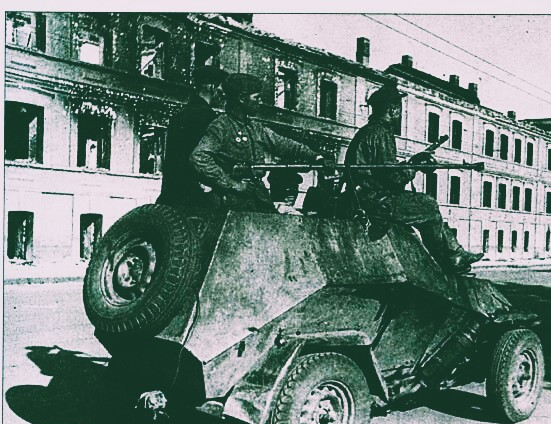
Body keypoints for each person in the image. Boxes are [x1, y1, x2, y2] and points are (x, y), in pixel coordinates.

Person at [344, 83, 483, 274]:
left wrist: (412, 163)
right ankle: (449, 261)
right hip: (376, 202)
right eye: (399, 109)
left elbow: (383, 171)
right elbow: (392, 178)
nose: (400, 114)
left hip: (365, 197)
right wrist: (414, 166)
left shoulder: (367, 132)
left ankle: (455, 254)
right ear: (392, 110)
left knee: (425, 206)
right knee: (429, 205)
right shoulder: (381, 133)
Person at [191, 73, 323, 213]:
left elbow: (283, 144)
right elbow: (199, 157)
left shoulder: (255, 128)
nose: (260, 102)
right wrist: (233, 184)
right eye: (256, 97)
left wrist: (316, 156)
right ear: (242, 98)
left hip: (258, 196)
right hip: (232, 201)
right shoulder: (221, 126)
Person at [156, 65, 228, 207]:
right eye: (221, 88)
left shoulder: (180, 114)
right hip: (196, 196)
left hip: (173, 192)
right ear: (212, 87)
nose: (223, 95)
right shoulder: (208, 117)